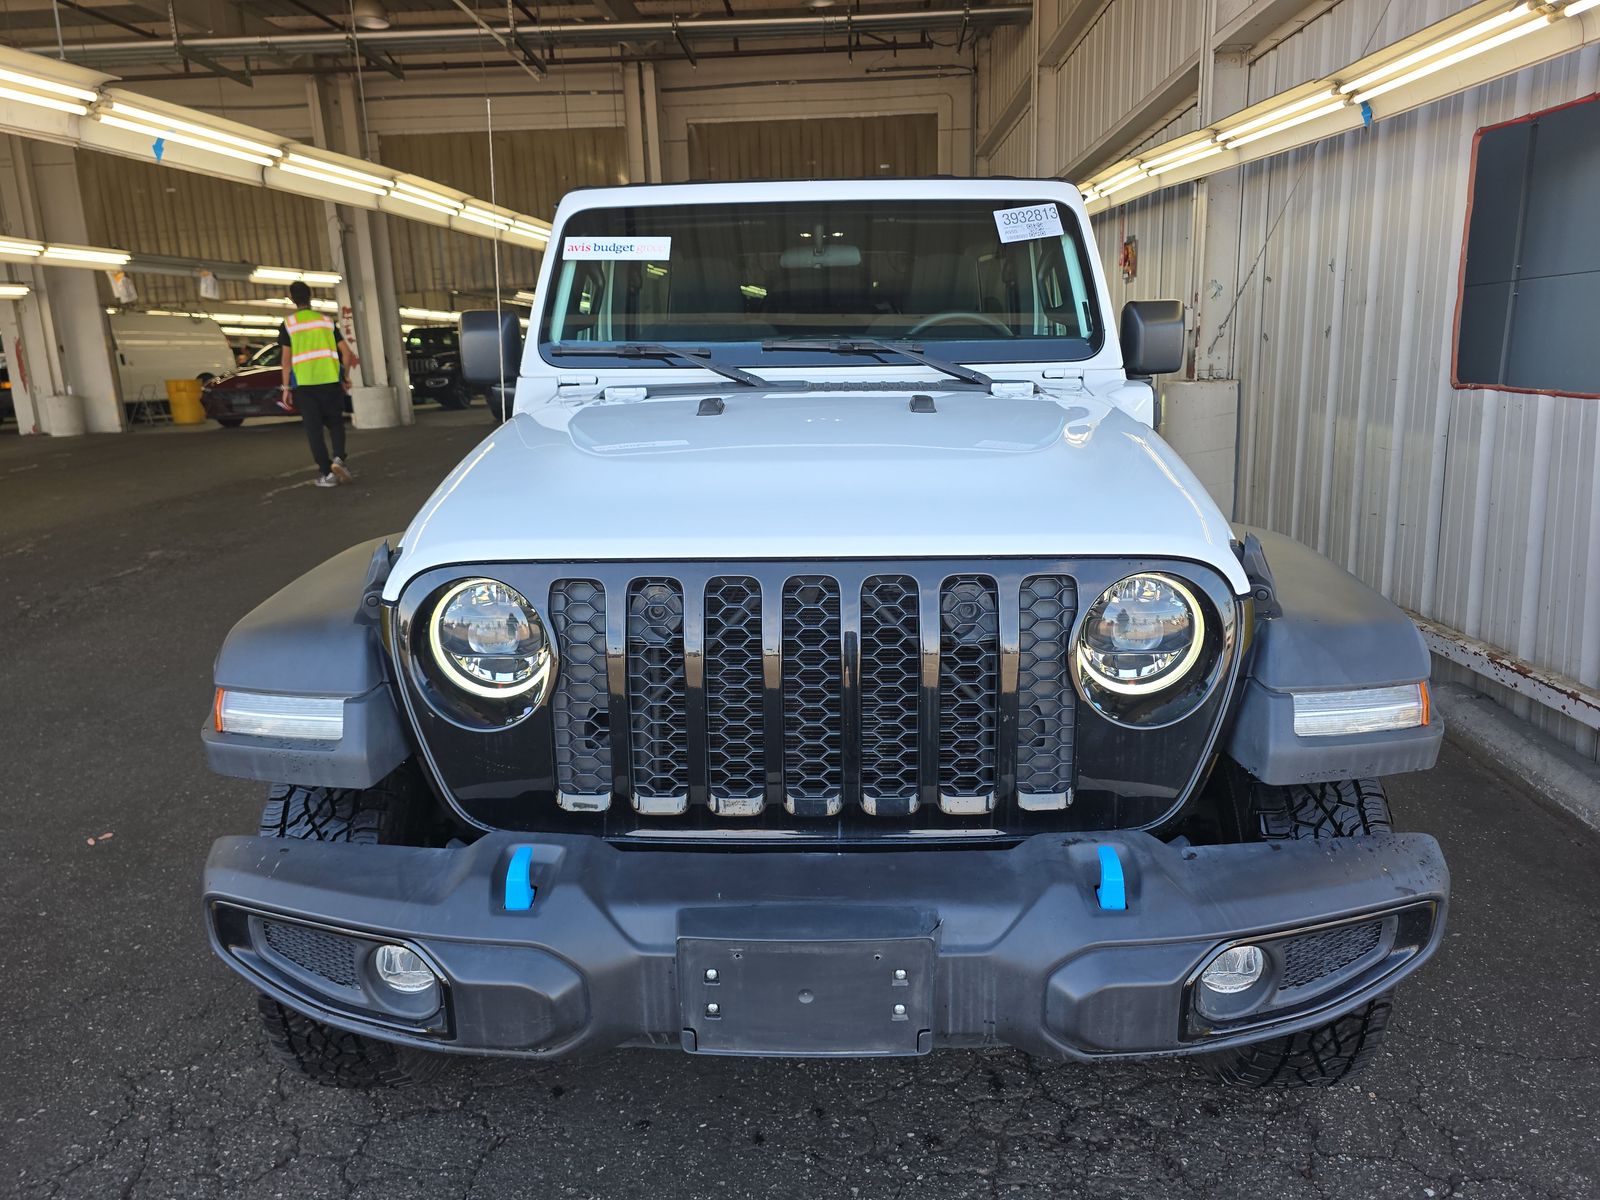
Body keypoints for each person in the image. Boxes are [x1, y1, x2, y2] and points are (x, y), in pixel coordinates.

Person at [278, 281, 360, 488]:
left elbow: (286, 361)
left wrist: (286, 388)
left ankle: (326, 473)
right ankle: (339, 458)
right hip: (330, 381)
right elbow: (348, 354)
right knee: (335, 423)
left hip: (305, 385)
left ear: (291, 298)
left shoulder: (289, 324)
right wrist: (344, 377)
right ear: (311, 296)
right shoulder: (326, 322)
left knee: (314, 430)